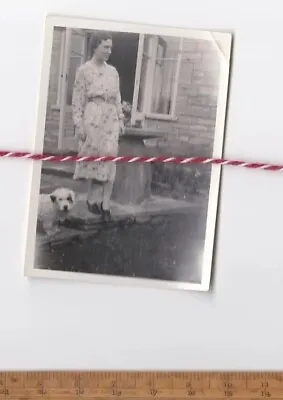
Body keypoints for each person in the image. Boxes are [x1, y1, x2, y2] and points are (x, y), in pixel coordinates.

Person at [72, 31, 125, 222]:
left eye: (111, 47)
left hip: (110, 117)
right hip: (93, 115)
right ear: (95, 46)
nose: (110, 51)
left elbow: (118, 97)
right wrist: (79, 124)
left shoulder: (113, 72)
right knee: (95, 159)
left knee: (110, 158)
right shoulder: (84, 71)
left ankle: (106, 204)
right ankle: (92, 200)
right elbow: (78, 100)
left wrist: (120, 118)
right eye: (106, 47)